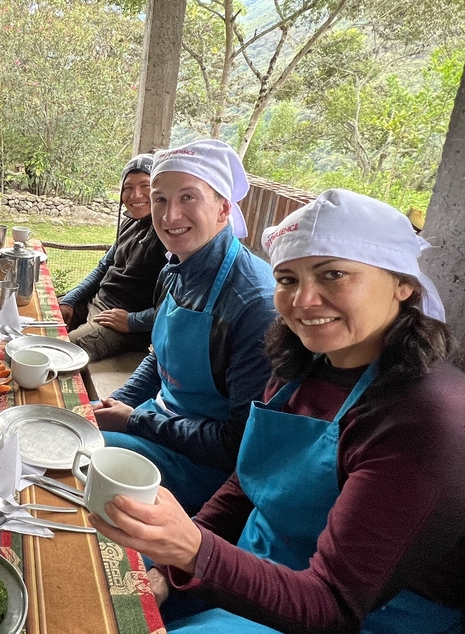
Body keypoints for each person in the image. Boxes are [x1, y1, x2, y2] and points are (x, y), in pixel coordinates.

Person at [91, 189, 464, 633]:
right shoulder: (299, 364)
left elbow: (333, 606)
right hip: (260, 556)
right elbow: (249, 482)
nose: (304, 301)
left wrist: (194, 551)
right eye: (288, 279)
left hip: (365, 613)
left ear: (403, 284)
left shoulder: (427, 421)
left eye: (333, 274)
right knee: (105, 572)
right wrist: (171, 569)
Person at [93, 140, 276, 514]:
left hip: (201, 465)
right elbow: (158, 358)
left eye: (188, 197)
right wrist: (121, 402)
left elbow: (237, 444)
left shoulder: (255, 304)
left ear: (224, 208)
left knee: (71, 464)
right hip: (157, 420)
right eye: (160, 199)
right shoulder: (175, 268)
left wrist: (136, 422)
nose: (170, 215)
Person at [59, 153, 167, 361]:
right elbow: (104, 266)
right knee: (44, 320)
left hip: (122, 326)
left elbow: (179, 306)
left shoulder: (167, 233)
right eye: (128, 187)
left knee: (60, 353)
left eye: (145, 185)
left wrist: (134, 321)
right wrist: (72, 298)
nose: (136, 195)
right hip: (98, 302)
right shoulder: (130, 221)